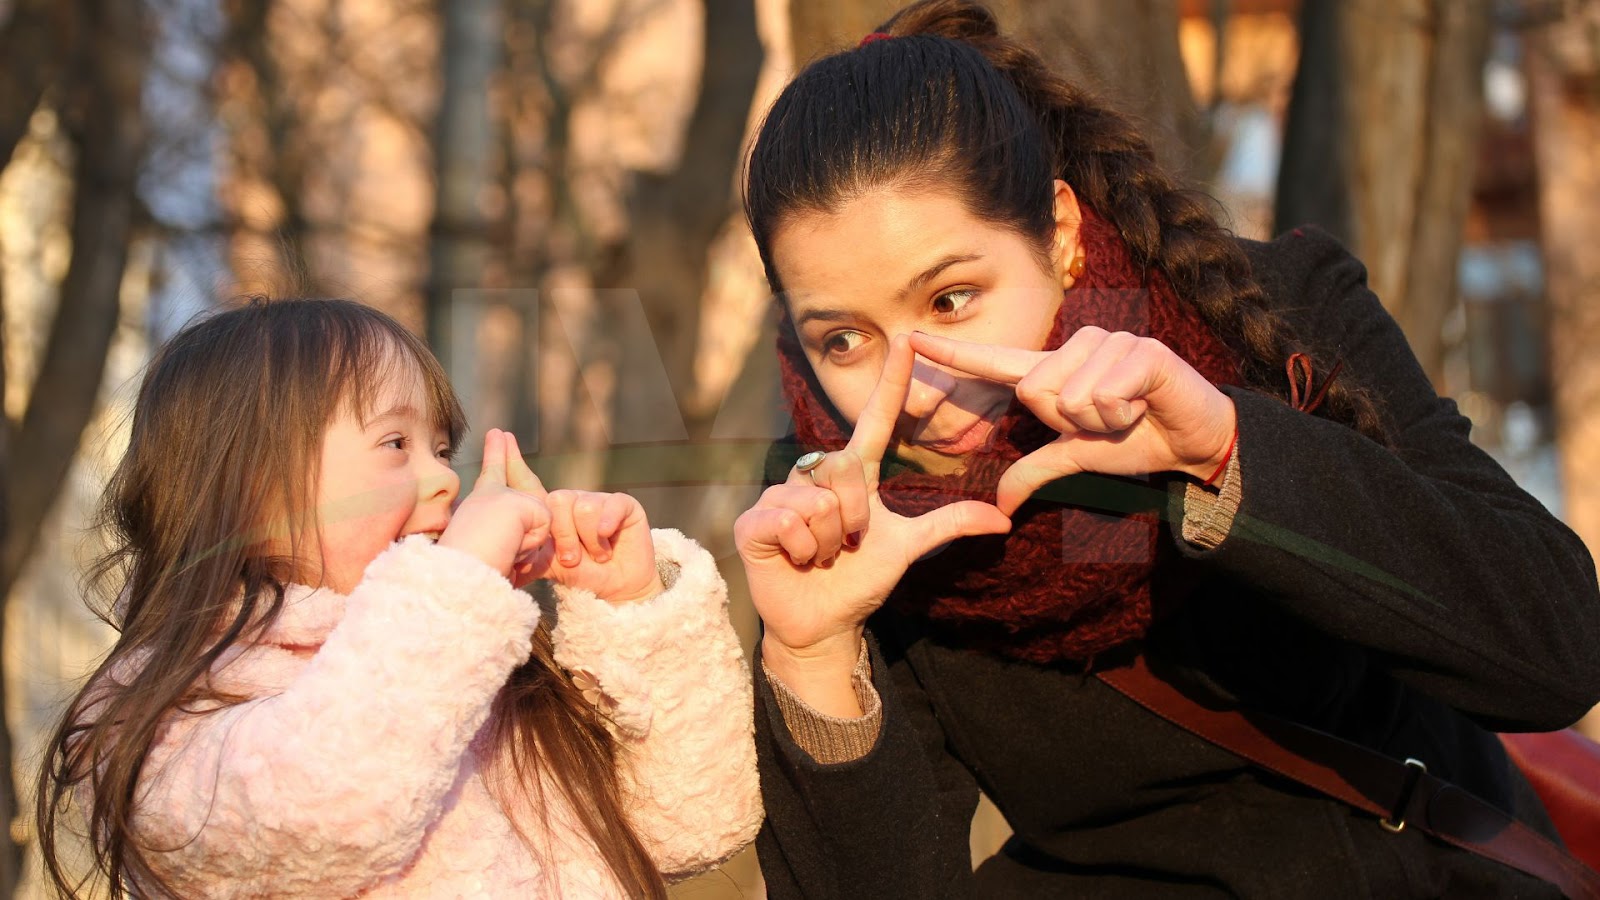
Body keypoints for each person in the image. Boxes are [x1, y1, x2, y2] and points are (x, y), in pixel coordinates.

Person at [733, 1, 1600, 896]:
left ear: (1060, 236)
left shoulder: (1268, 317)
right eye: (844, 340)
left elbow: (1555, 654)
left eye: (950, 300)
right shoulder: (832, 522)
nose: (912, 388)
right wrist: (813, 658)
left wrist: (1228, 456)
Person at [34, 298, 760, 899]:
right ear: (249, 489)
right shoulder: (171, 711)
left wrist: (629, 604)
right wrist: (458, 590)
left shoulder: (471, 669)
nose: (446, 480)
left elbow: (693, 821)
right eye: (395, 445)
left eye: (442, 450)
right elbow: (326, 805)